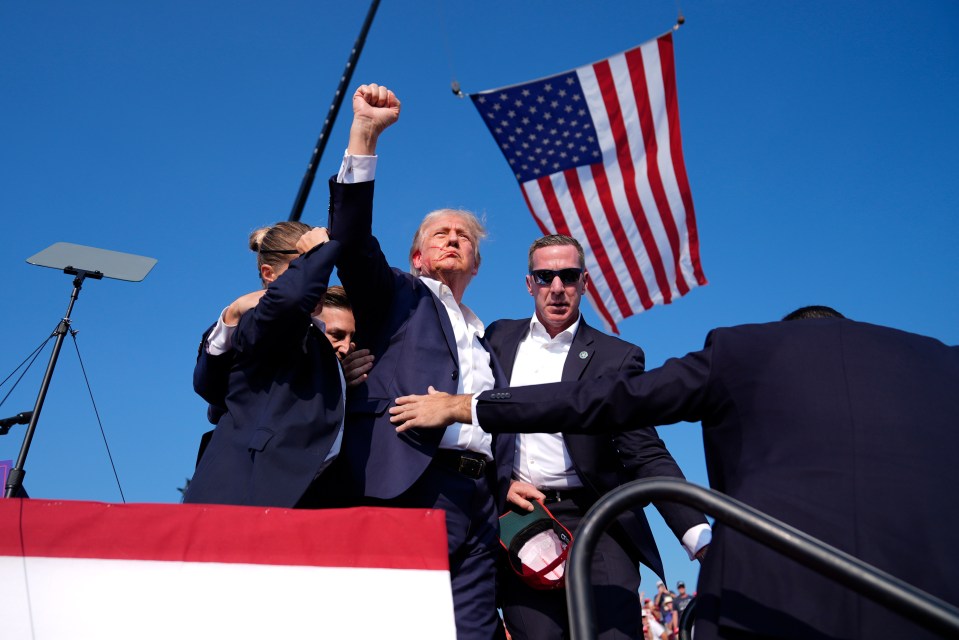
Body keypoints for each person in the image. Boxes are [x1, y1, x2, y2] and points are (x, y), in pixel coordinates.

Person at [389, 306, 959, 639]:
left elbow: (609, 408)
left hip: (770, 580)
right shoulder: (942, 363)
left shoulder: (742, 350)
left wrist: (470, 405)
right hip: (932, 589)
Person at [327, 83, 506, 640]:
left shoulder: (489, 333)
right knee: (401, 626)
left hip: (483, 502)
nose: (453, 241)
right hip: (413, 484)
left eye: (464, 237)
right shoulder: (398, 296)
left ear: (476, 261)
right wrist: (365, 135)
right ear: (417, 255)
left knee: (472, 631)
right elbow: (351, 243)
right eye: (440, 234)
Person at [485, 234, 710, 640]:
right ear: (529, 283)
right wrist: (501, 485)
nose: (557, 288)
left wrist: (699, 536)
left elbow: (644, 451)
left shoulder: (616, 356)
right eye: (545, 276)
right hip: (522, 519)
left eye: (568, 276)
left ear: (585, 282)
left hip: (599, 519)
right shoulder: (497, 340)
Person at [184, 222, 344, 508]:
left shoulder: (314, 340)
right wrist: (320, 252)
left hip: (293, 498)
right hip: (246, 492)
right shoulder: (260, 318)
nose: (319, 277)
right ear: (269, 275)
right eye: (305, 266)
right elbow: (293, 298)